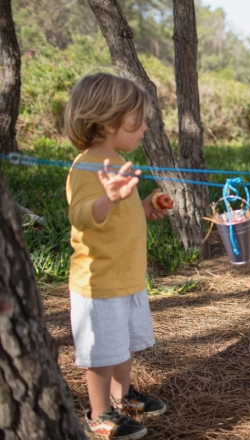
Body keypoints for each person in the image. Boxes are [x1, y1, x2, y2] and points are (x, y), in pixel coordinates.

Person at [63, 72, 169, 439]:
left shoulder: (117, 163)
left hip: (127, 277)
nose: (143, 129)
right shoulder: (87, 166)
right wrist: (107, 197)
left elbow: (121, 213)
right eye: (137, 122)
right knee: (102, 353)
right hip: (99, 283)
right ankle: (100, 413)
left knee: (123, 346)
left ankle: (122, 396)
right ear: (109, 123)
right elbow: (81, 215)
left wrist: (145, 205)